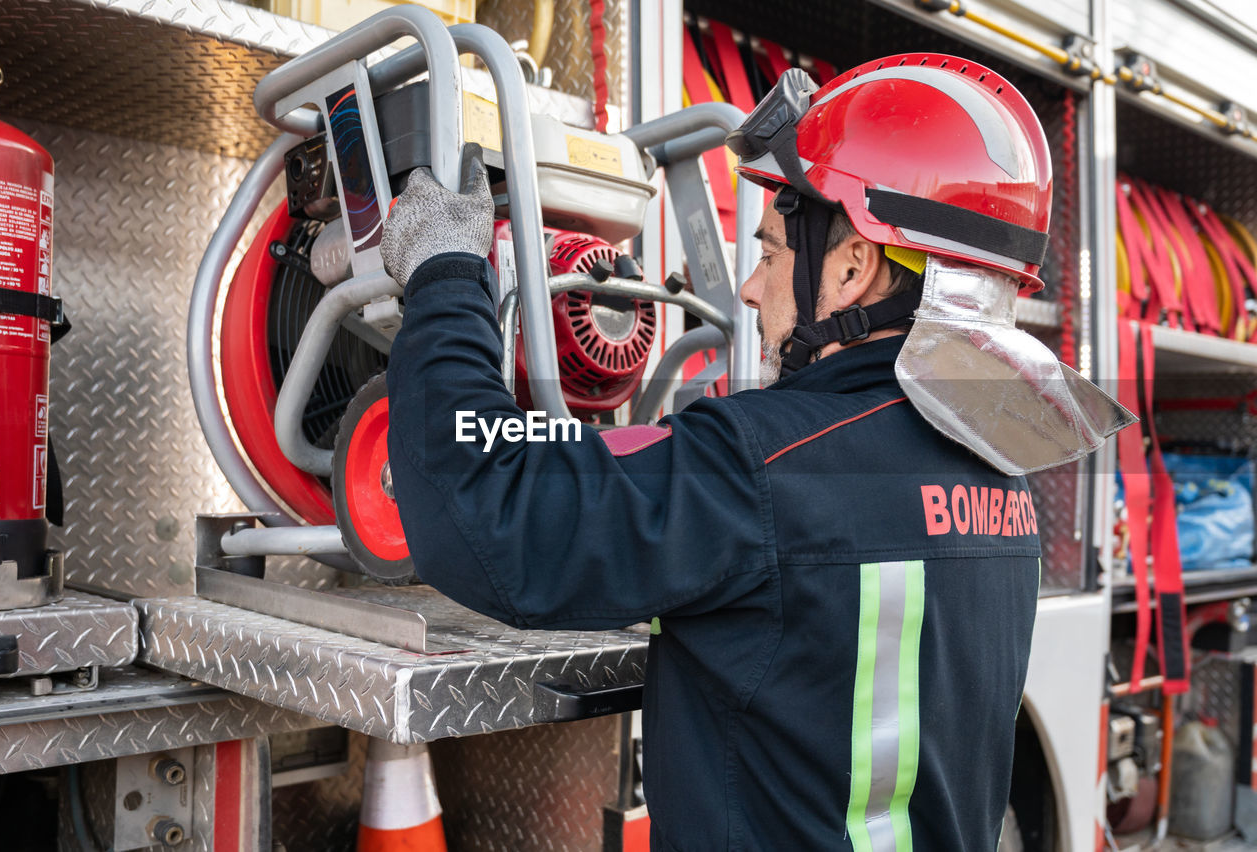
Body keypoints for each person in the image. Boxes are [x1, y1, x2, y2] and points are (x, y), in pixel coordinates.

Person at [381, 54, 1130, 851]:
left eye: (769, 254)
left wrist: (445, 276)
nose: (746, 289)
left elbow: (480, 504)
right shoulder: (1004, 475)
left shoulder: (766, 464)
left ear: (851, 269)